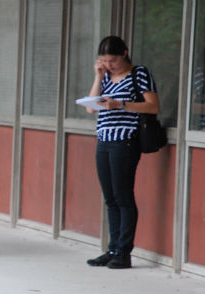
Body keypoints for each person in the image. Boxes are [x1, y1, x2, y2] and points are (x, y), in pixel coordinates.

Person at [85, 36, 160, 269]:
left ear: (125, 53)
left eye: (113, 60)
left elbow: (153, 105)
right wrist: (98, 76)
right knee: (110, 199)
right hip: (104, 140)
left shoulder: (139, 73)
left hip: (125, 141)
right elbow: (90, 107)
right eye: (105, 61)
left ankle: (124, 252)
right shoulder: (105, 76)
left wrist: (121, 104)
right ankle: (113, 248)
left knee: (123, 197)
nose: (110, 65)